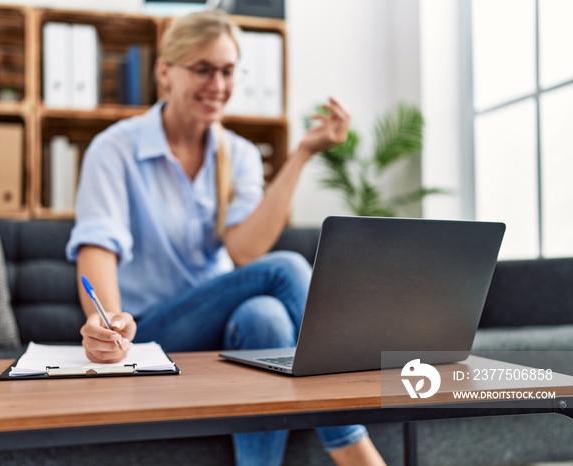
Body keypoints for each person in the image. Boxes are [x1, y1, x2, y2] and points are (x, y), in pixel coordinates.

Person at [66, 9, 386, 466]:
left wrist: (302, 153)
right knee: (288, 268)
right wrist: (108, 321)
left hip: (226, 325)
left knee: (267, 317)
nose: (217, 84)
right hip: (152, 331)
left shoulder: (238, 154)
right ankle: (358, 452)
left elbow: (243, 250)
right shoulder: (115, 149)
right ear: (165, 72)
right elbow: (99, 246)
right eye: (202, 69)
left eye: (227, 71)